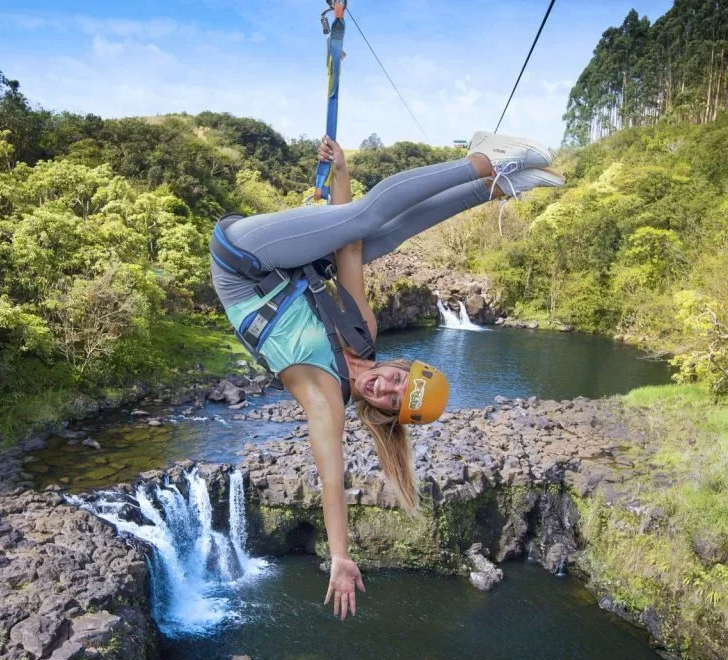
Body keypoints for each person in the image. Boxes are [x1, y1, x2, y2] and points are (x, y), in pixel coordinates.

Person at [211, 132, 564, 619]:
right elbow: (349, 246)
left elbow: (331, 481)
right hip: (285, 266)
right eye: (401, 380)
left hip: (241, 265)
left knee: (372, 220)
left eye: (392, 399)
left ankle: (483, 163)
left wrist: (339, 555)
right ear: (401, 367)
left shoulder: (324, 397)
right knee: (382, 234)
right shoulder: (364, 331)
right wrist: (341, 175)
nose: (386, 386)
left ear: (381, 412)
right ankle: (493, 180)